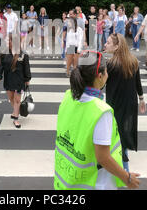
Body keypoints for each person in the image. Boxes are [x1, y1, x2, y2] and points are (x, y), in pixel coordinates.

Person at [54, 50, 140, 190]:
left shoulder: (68, 96)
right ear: (100, 76)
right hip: (96, 183)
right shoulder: (101, 112)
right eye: (106, 72)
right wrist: (127, 178)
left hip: (67, 180)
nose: (107, 75)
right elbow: (103, 158)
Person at [104, 33, 146, 172]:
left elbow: (100, 84)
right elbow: (137, 83)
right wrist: (141, 99)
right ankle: (125, 171)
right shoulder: (133, 61)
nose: (105, 44)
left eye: (108, 42)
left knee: (114, 138)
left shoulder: (110, 65)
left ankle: (122, 172)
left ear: (117, 46)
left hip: (114, 105)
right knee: (124, 137)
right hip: (130, 105)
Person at [0, 36, 31, 129]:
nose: (6, 42)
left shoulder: (23, 54)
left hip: (19, 80)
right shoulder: (4, 54)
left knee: (17, 100)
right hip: (9, 80)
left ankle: (16, 118)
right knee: (11, 99)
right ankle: (16, 111)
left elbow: (26, 67)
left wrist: (27, 79)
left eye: (8, 40)